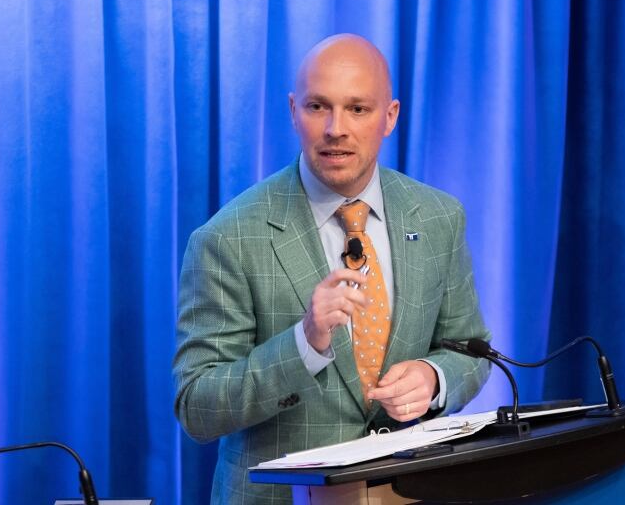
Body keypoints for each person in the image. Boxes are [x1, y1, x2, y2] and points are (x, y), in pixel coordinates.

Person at [174, 33, 491, 504]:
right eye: (318, 106)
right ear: (292, 110)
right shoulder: (227, 238)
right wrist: (304, 343)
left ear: (390, 116)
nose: (335, 129)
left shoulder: (440, 217)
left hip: (410, 492)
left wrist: (434, 377)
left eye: (358, 109)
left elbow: (473, 351)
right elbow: (197, 406)